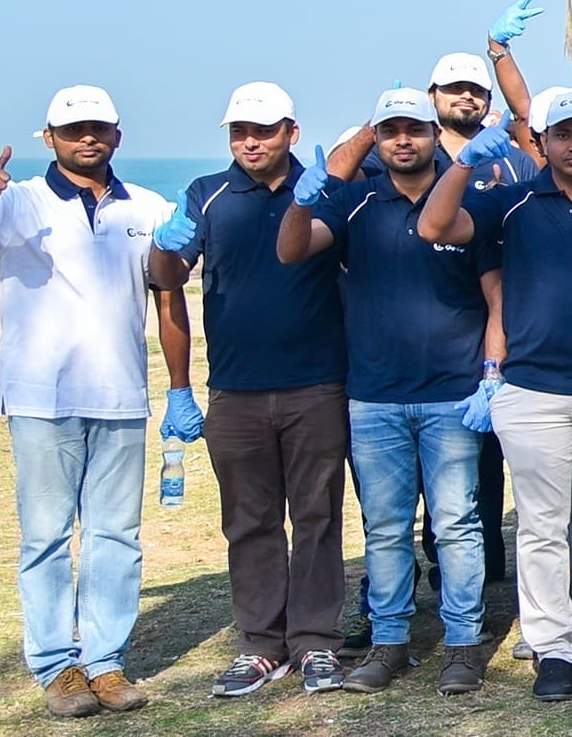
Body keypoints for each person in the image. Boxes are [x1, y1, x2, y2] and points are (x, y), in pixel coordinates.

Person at [0, 86, 179, 718]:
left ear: (117, 135)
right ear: (48, 137)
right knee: (46, 537)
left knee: (116, 535)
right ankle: (57, 666)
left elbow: (170, 285)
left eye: (98, 127)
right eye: (72, 129)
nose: (87, 137)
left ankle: (105, 661)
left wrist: (180, 388)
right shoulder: (15, 201)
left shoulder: (148, 207)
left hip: (121, 395)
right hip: (40, 397)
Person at [417, 90, 572, 702]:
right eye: (563, 135)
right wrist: (462, 165)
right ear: (543, 142)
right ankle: (554, 649)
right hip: (530, 393)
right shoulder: (511, 205)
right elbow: (434, 226)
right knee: (541, 528)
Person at [274, 87, 499, 695]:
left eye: (415, 129)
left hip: (453, 394)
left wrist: (491, 374)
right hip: (374, 396)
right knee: (385, 528)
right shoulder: (354, 203)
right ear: (375, 138)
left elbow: (495, 295)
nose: (404, 140)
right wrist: (301, 203)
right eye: (391, 130)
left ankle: (462, 644)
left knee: (456, 525)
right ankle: (389, 642)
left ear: (433, 136)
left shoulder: (466, 200)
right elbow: (292, 251)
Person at [149, 81, 356, 696]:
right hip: (235, 389)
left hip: (317, 384)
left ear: (291, 133)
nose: (250, 142)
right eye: (240, 132)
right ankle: (262, 644)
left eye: (263, 131)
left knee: (317, 517)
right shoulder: (206, 194)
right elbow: (168, 277)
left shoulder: (323, 191)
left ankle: (315, 641)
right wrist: (164, 245)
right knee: (248, 521)